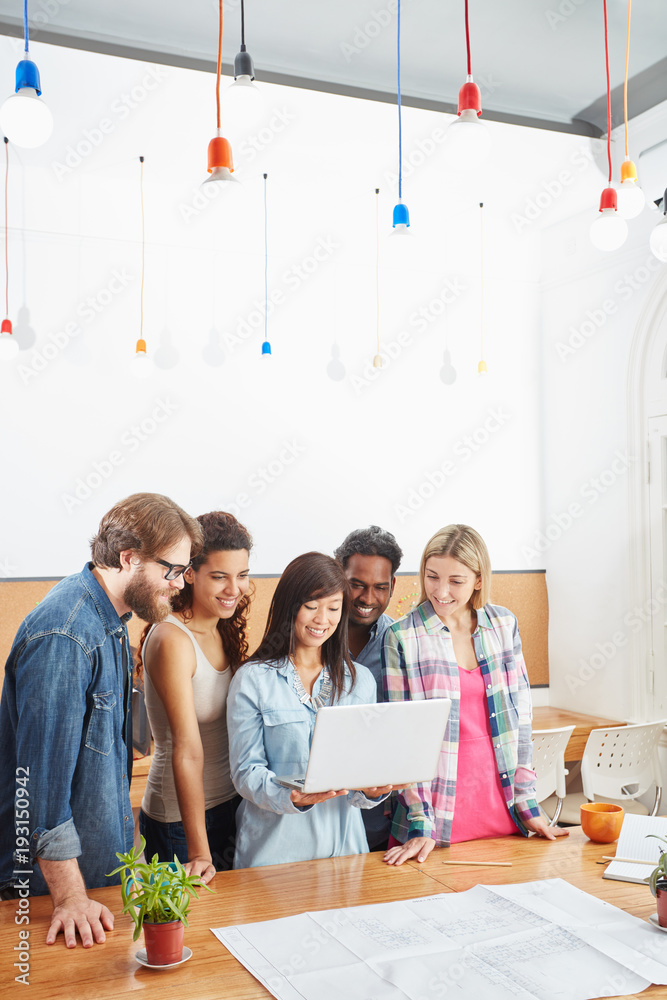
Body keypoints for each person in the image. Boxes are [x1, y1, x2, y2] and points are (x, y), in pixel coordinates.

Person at [0, 493, 202, 948]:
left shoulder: (111, 620)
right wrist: (71, 897)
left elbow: (102, 770)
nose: (179, 584)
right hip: (51, 896)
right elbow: (40, 791)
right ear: (129, 558)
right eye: (172, 570)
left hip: (95, 886)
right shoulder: (66, 635)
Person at [382, 524, 568, 866]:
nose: (441, 591)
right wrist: (420, 822)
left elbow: (521, 721)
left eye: (456, 581)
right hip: (437, 817)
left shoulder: (503, 625)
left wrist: (527, 805)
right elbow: (402, 739)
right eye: (432, 576)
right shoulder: (402, 636)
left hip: (501, 809)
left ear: (479, 580)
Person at [227, 552, 393, 869]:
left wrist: (373, 791)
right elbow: (245, 772)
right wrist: (288, 795)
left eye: (333, 608)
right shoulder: (253, 680)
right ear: (290, 606)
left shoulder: (360, 682)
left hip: (345, 853)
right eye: (311, 606)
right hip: (272, 856)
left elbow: (358, 783)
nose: (322, 619)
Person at [138, 512, 252, 880]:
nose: (234, 589)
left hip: (231, 804)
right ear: (189, 574)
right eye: (219, 577)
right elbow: (186, 749)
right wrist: (199, 851)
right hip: (181, 822)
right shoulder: (172, 640)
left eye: (242, 575)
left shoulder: (223, 628)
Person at [334, 525, 403, 851]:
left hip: (379, 818)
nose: (368, 598)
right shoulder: (312, 635)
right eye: (357, 585)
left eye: (380, 587)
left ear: (393, 586)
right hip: (317, 812)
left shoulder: (402, 644)